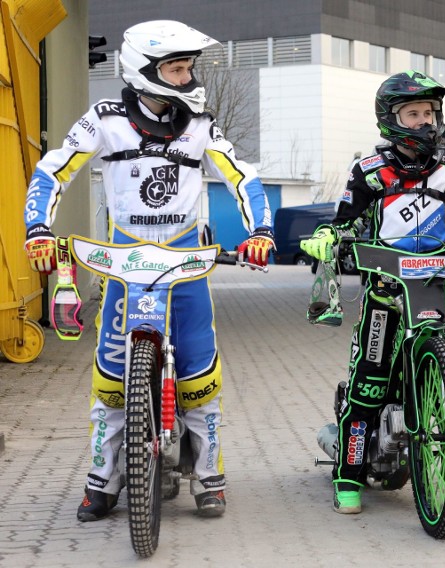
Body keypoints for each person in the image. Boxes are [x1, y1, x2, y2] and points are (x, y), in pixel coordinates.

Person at [23, 20, 274, 521]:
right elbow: (52, 170)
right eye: (176, 68)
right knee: (111, 378)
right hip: (125, 260)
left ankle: (209, 474)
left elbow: (243, 177)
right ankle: (104, 476)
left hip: (185, 261)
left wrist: (261, 231)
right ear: (144, 71)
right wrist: (37, 229)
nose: (186, 77)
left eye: (187, 68)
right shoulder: (104, 118)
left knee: (201, 373)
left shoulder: (201, 124)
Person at [299, 70, 445, 515]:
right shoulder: (370, 173)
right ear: (391, 119)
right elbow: (345, 221)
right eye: (414, 114)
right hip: (386, 297)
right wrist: (327, 237)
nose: (425, 122)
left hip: (435, 292)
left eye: (430, 113)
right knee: (368, 385)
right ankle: (347, 475)